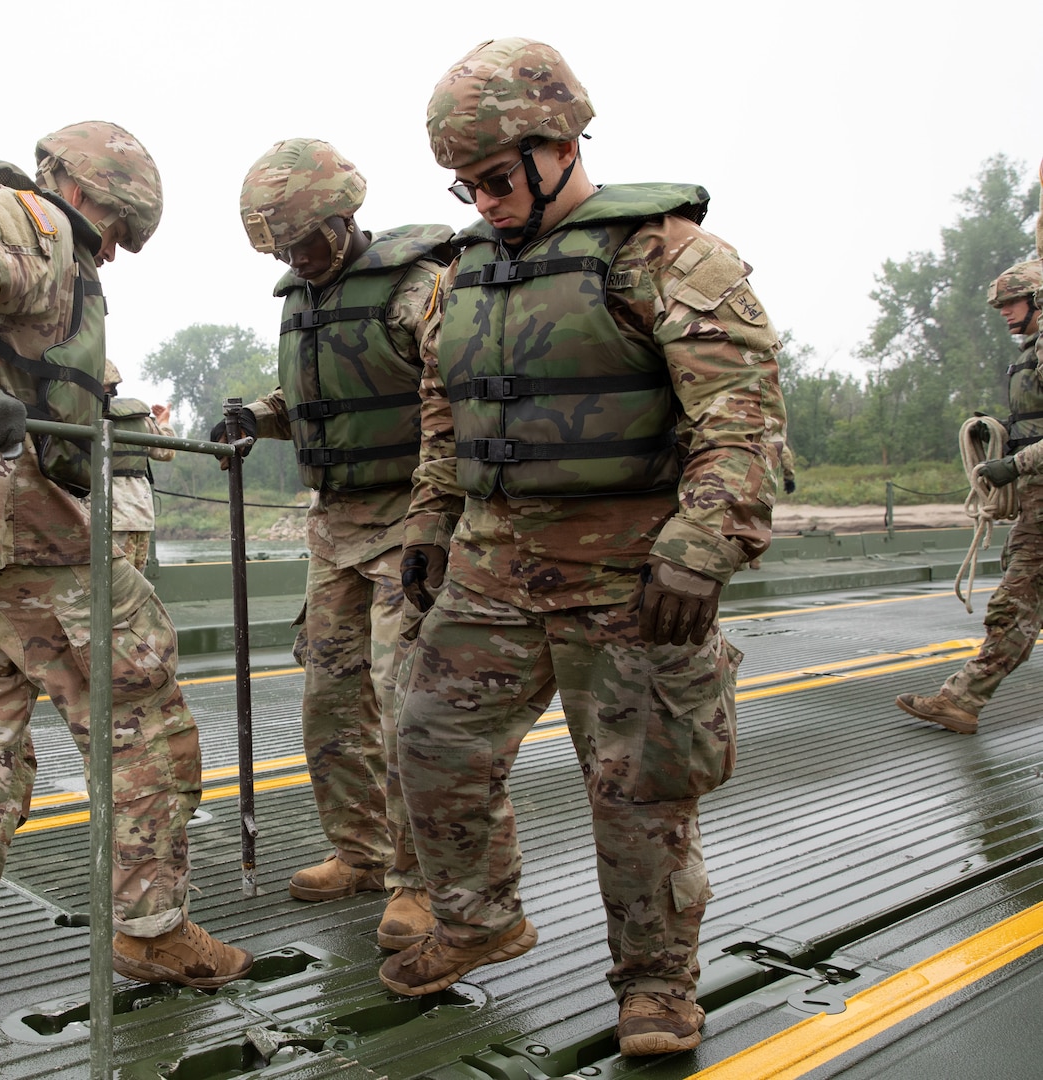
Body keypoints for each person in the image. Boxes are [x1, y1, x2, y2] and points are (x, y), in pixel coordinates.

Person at [381, 39, 785, 1059]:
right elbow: (445, 414)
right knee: (429, 741)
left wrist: (700, 549)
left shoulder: (673, 256)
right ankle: (478, 918)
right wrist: (429, 523)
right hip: (493, 567)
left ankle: (655, 984)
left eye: (496, 177)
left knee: (641, 790)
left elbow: (740, 420)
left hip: (633, 578)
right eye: (463, 183)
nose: (481, 200)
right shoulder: (460, 278)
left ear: (559, 144)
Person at [0, 122, 250, 1027]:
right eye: (119, 230)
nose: (113, 254)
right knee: (142, 718)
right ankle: (153, 929)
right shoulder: (30, 217)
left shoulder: (28, 250)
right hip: (21, 527)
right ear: (90, 194)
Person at [222, 137, 450, 949]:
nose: (293, 257)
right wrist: (263, 416)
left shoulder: (416, 288)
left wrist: (436, 517)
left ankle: (420, 878)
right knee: (328, 701)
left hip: (409, 520)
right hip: (337, 527)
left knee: (402, 705)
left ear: (344, 218)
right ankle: (358, 849)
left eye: (303, 241)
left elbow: (449, 402)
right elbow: (324, 392)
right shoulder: (302, 296)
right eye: (279, 247)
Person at [897, 259, 1043, 735]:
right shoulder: (1033, 349)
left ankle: (962, 700)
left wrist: (1012, 464)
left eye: (1011, 302)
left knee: (1016, 602)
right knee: (1018, 601)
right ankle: (962, 700)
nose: (1004, 312)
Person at [103, 359, 175, 572]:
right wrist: (164, 422)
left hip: (111, 516)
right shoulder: (142, 420)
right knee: (137, 585)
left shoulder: (87, 416)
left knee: (114, 585)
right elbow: (167, 452)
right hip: (142, 515)